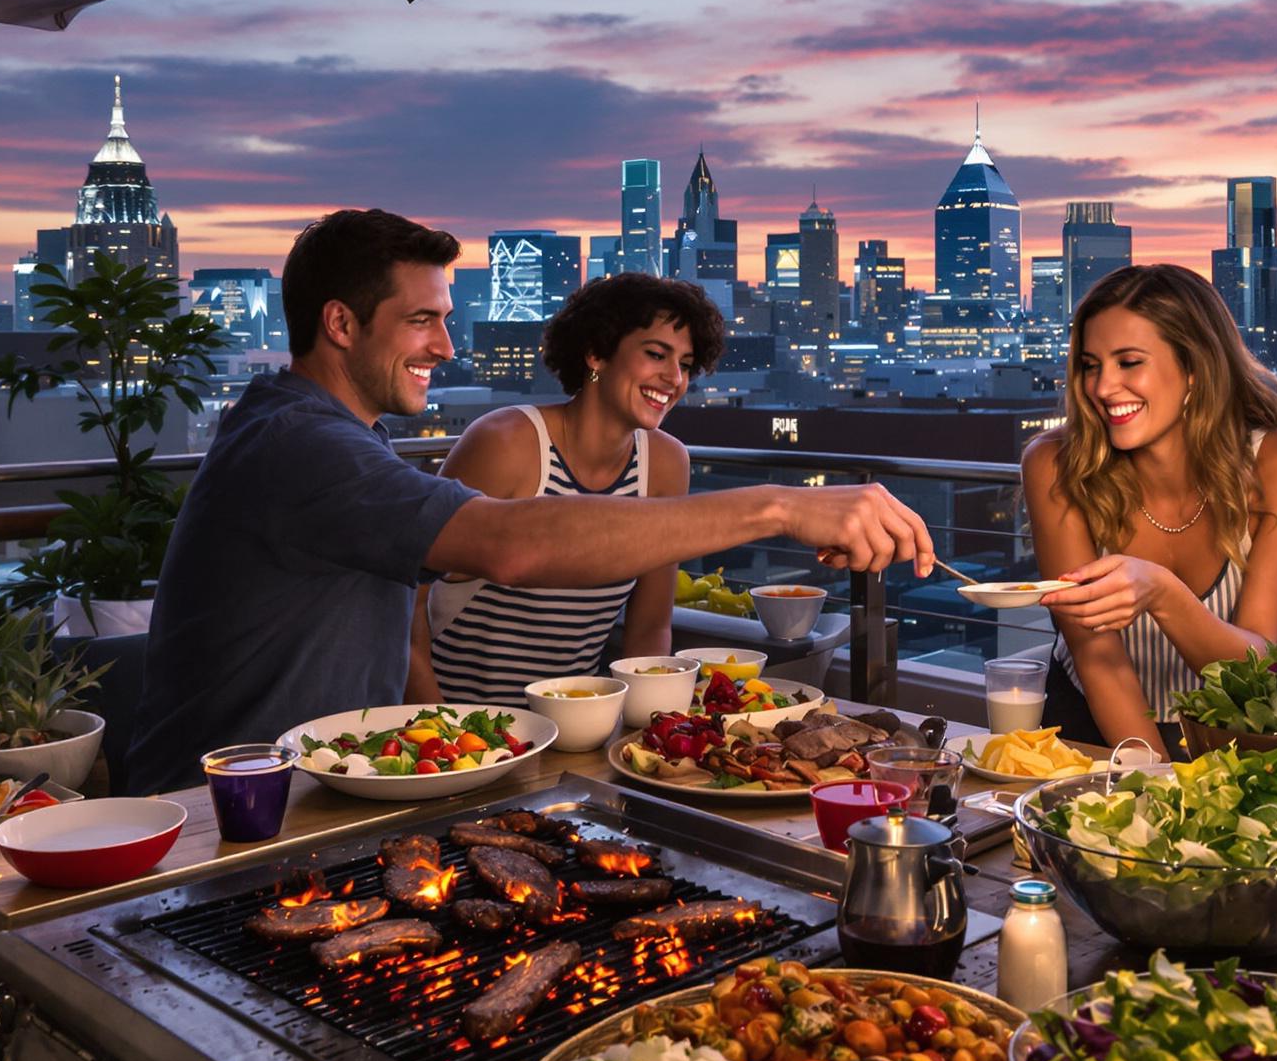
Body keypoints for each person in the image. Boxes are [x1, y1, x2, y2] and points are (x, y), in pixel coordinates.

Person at [122, 209, 934, 794]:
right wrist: (779, 508)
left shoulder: (331, 435)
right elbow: (504, 543)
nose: (445, 345)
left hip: (325, 786)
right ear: (339, 323)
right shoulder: (298, 443)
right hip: (215, 814)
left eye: (444, 319)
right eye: (421, 321)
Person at [1021, 264, 1277, 757]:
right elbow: (1096, 656)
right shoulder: (1054, 465)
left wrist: (1161, 593)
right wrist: (1154, 782)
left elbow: (1257, 664)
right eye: (1091, 365)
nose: (1101, 387)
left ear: (1194, 368)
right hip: (1100, 730)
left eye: (1128, 362)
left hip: (1251, 726)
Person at [410, 275, 717, 705]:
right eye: (655, 354)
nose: (673, 378)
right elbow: (406, 598)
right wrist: (432, 723)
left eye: (685, 364)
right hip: (460, 735)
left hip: (575, 732)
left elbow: (649, 624)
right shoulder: (507, 442)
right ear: (596, 353)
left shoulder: (665, 465)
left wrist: (646, 731)